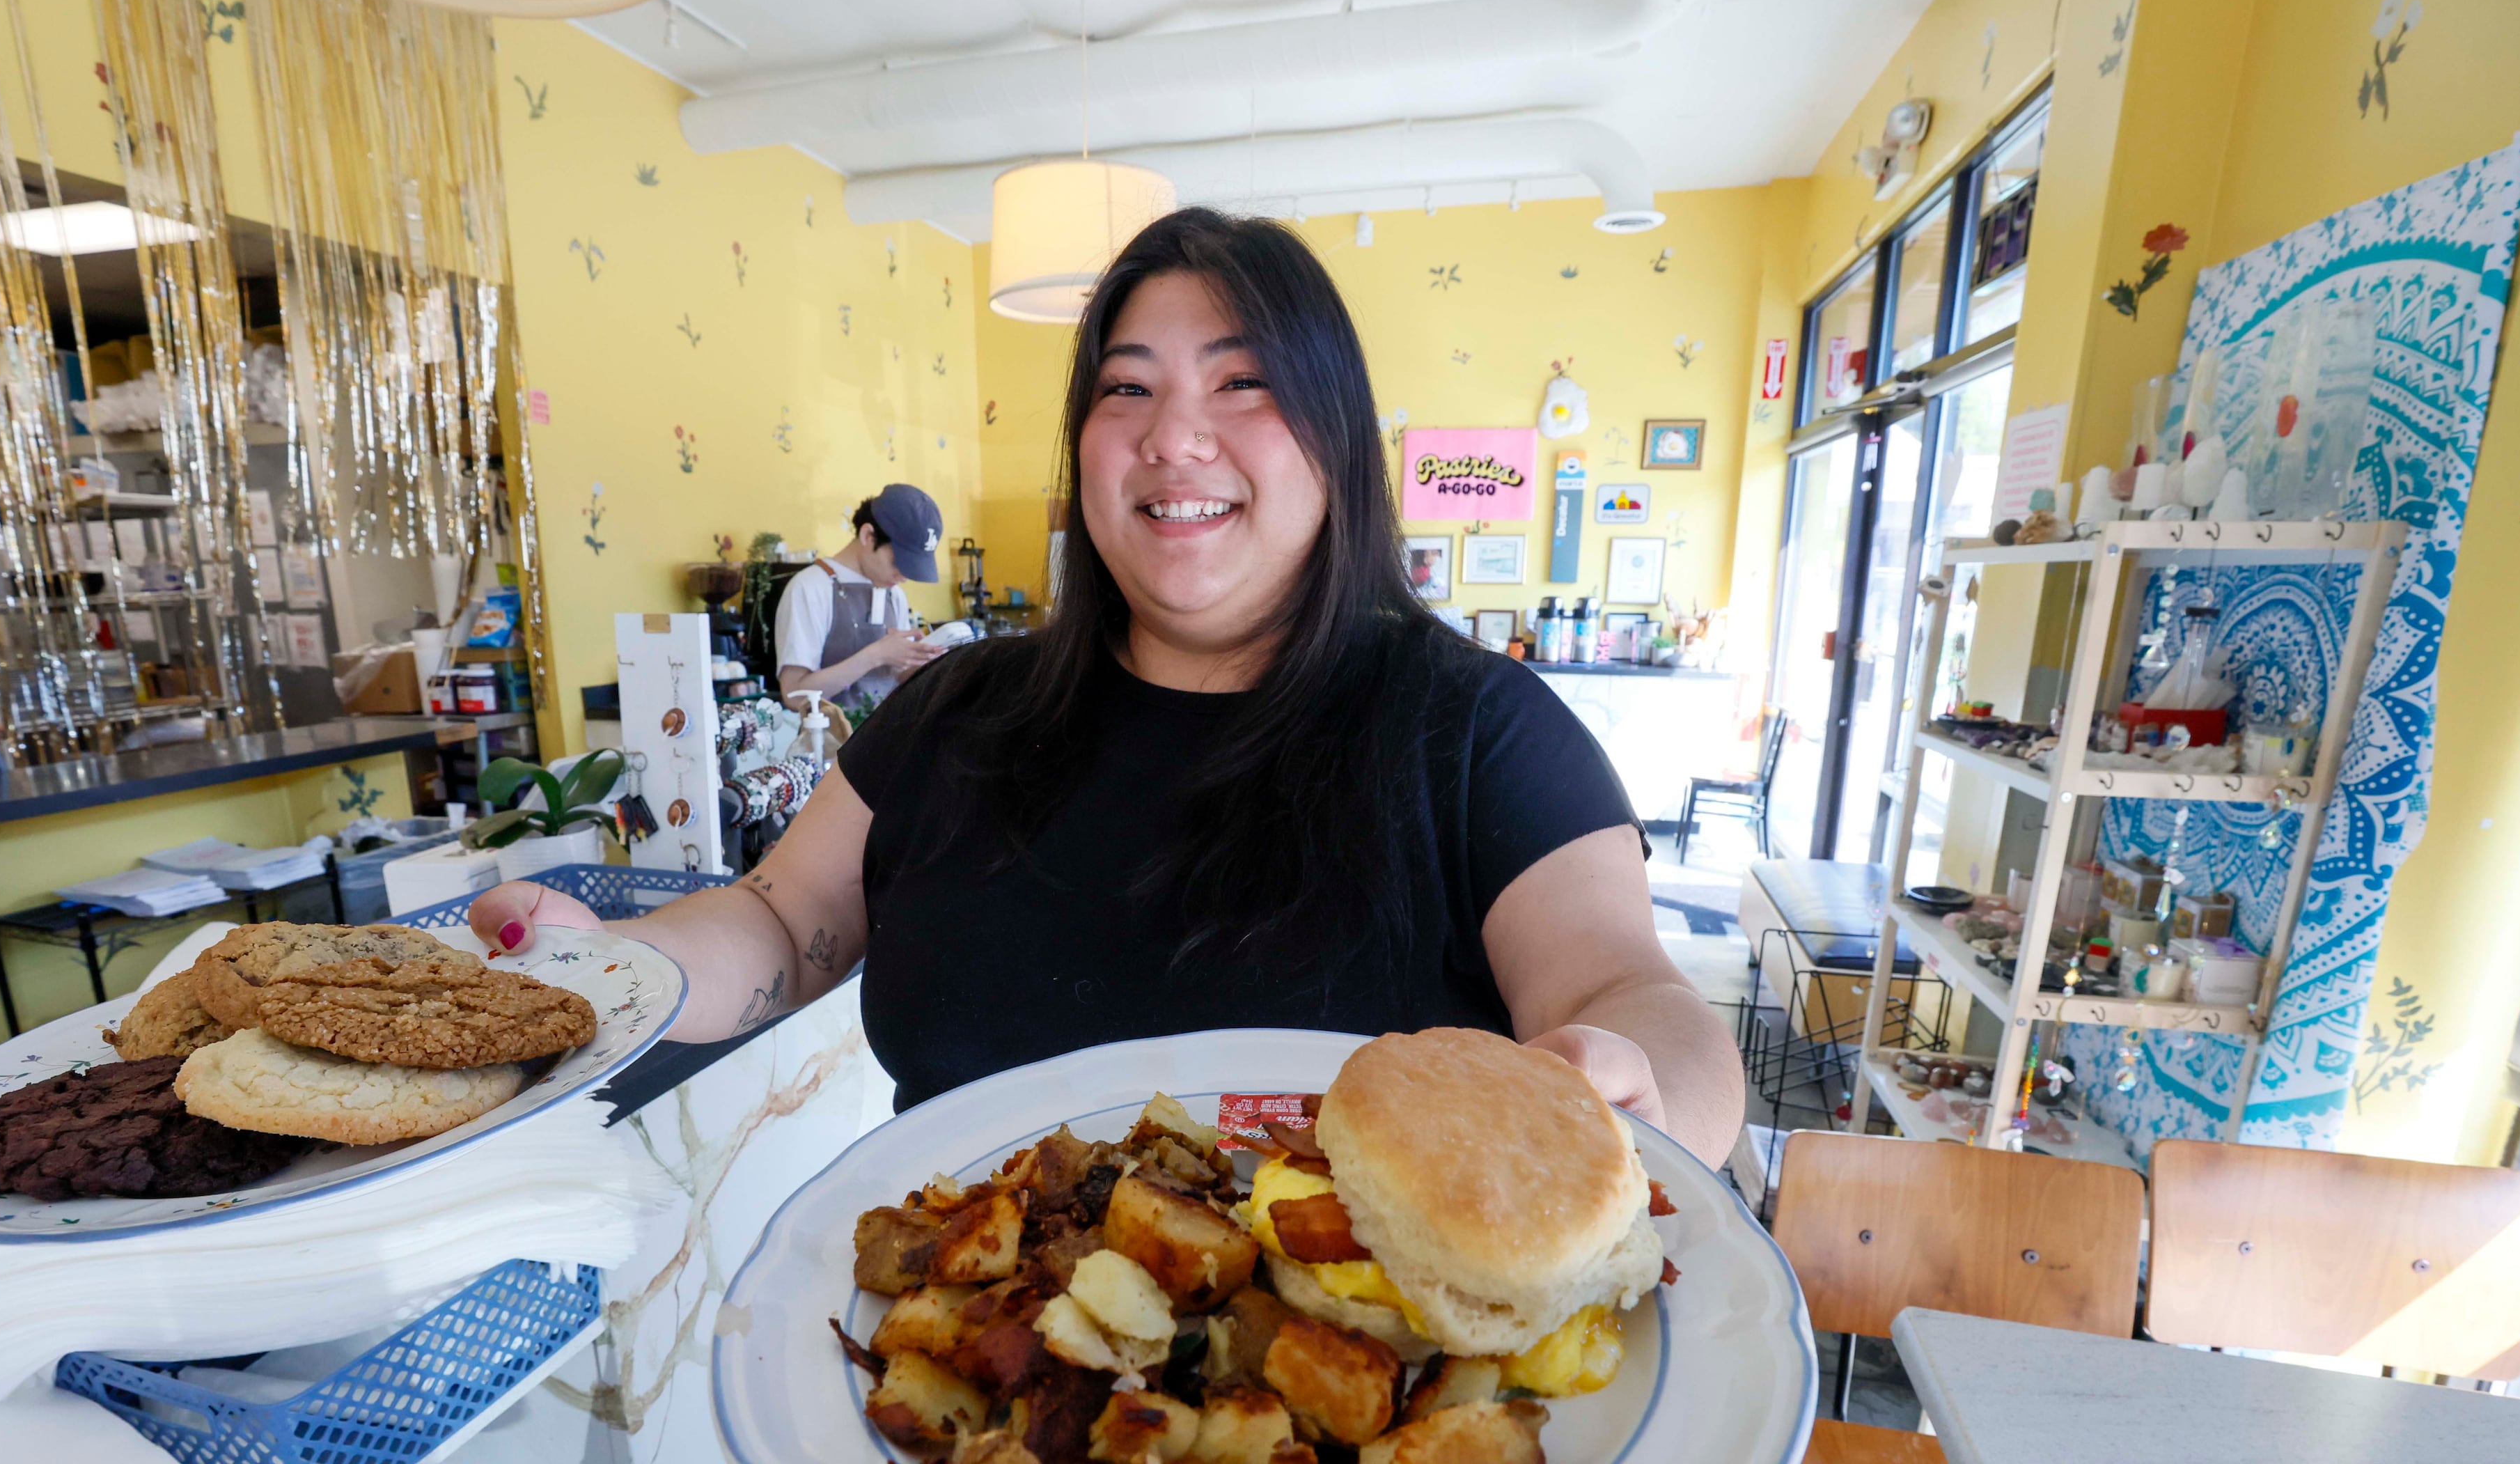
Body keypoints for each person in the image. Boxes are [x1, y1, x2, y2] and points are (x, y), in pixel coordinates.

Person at [474, 209, 1744, 1165]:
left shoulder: (1476, 732)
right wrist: (609, 969)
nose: (1172, 435)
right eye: (1126, 387)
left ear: (1337, 440)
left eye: (1241, 384)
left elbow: (1627, 995)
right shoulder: (956, 714)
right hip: (954, 1364)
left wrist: (1635, 1079)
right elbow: (772, 924)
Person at [771, 483, 948, 710]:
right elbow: (795, 695)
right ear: (868, 536)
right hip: (830, 743)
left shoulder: (895, 595)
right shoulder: (810, 588)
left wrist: (925, 663)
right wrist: (876, 655)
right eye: (899, 563)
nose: (904, 576)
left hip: (888, 737)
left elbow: (896, 678)